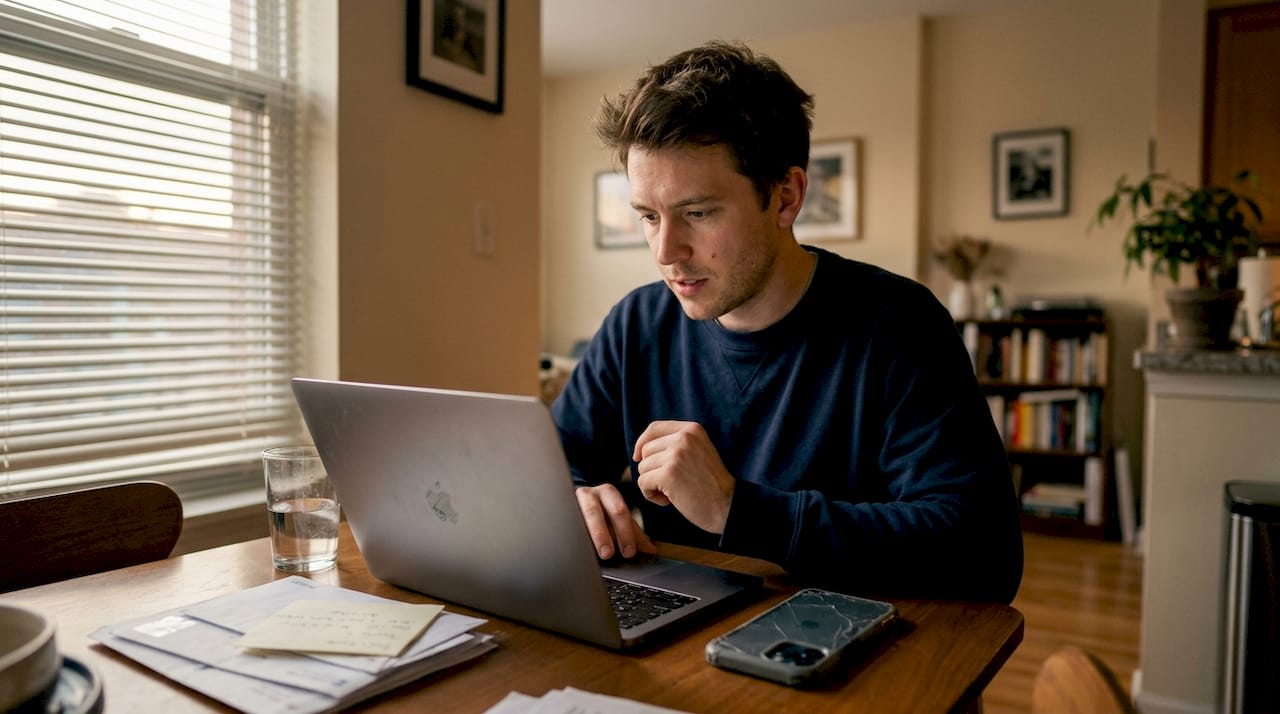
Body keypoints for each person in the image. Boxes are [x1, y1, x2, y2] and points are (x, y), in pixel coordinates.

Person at [551, 41, 1023, 603]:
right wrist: (575, 498)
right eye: (649, 217)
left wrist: (735, 509)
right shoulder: (636, 325)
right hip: (676, 646)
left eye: (698, 213)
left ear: (785, 197)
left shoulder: (901, 325)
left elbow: (984, 553)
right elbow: (558, 464)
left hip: (856, 656)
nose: (666, 250)